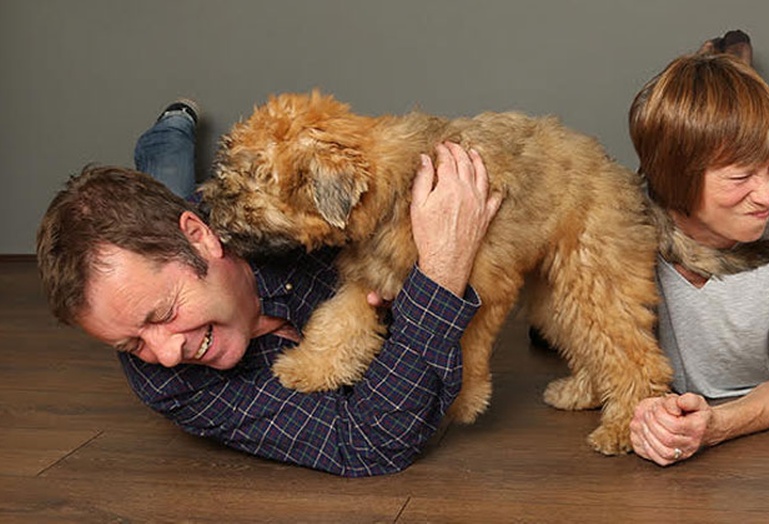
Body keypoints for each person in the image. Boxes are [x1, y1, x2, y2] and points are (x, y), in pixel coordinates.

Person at [36, 100, 502, 477]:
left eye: (159, 316)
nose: (168, 353)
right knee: (168, 190)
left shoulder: (298, 207)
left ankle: (170, 128)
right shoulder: (164, 381)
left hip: (198, 221)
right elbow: (368, 441)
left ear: (200, 237)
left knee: (170, 176)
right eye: (131, 343)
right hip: (186, 230)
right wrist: (441, 270)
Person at [625, 33, 769, 465]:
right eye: (741, 177)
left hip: (756, 420)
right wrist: (646, 409)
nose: (768, 196)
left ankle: (724, 65)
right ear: (677, 177)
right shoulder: (626, 216)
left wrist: (716, 426)